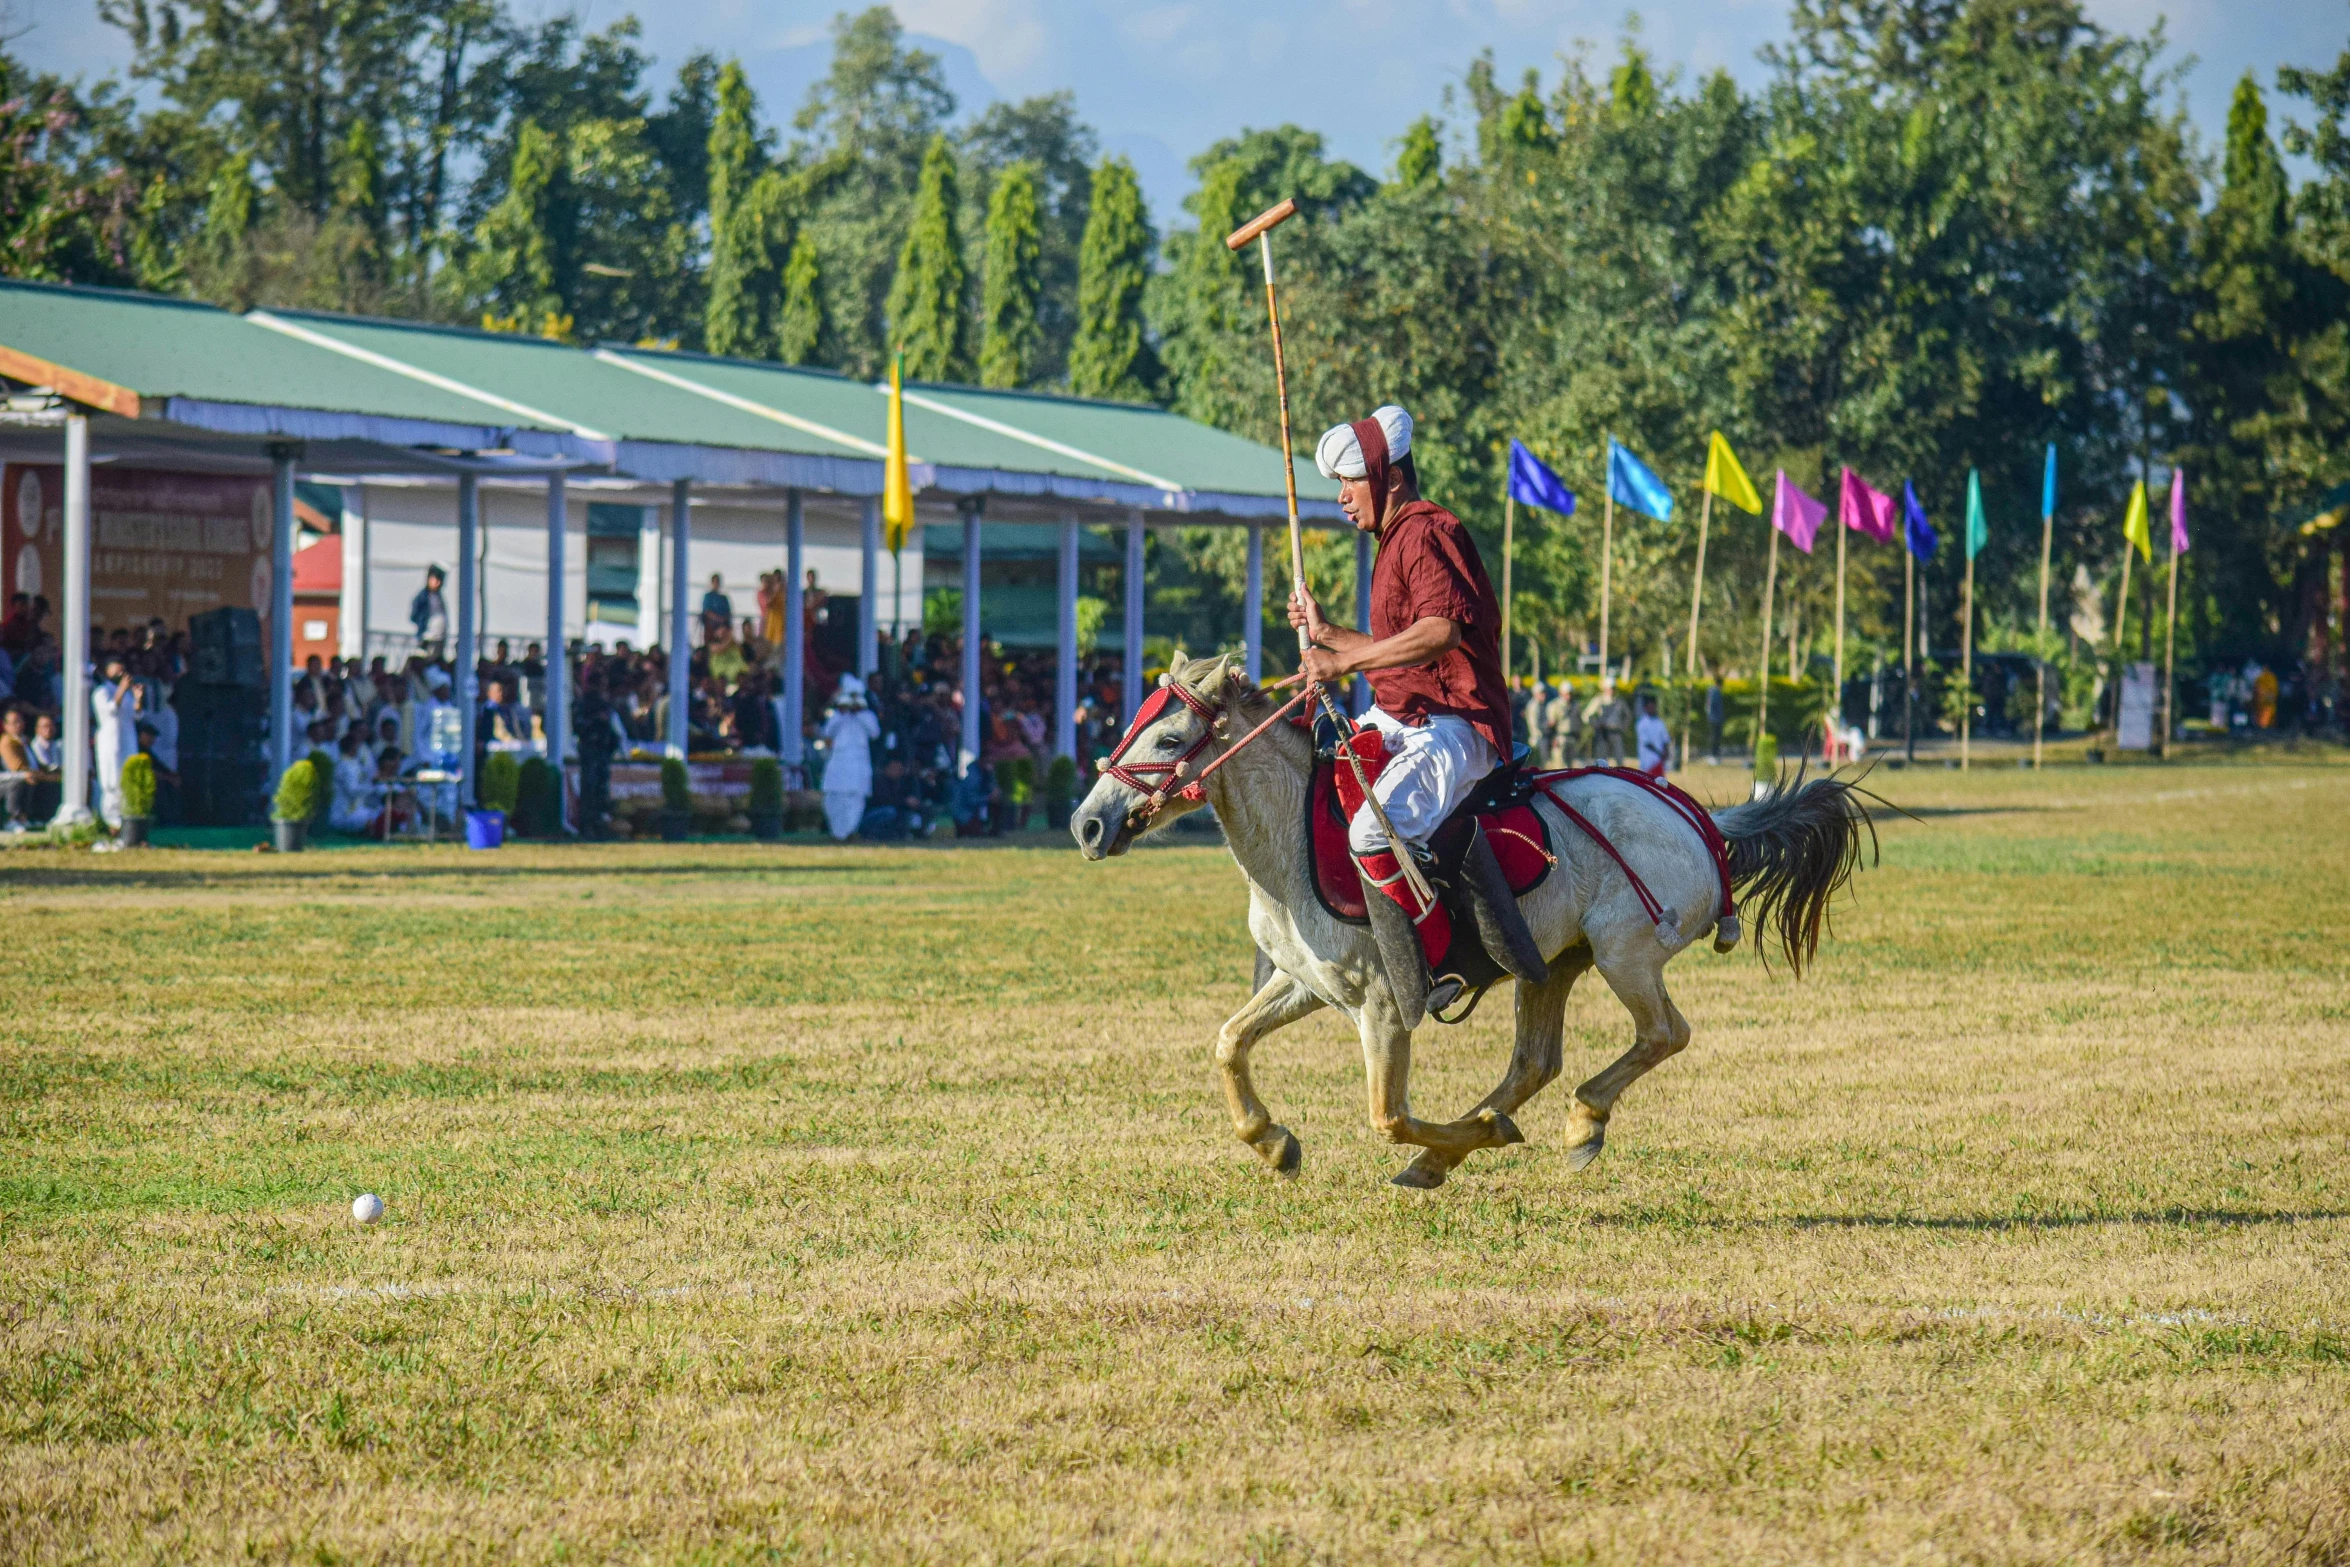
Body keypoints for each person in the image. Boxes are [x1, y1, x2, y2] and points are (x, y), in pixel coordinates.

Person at [1288, 403, 1546, 1024]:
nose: (1343, 499)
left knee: (1372, 832)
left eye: (1350, 482)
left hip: (1458, 724)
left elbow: (1440, 633)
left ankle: (1437, 960)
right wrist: (1327, 636)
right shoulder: (1391, 538)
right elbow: (1392, 655)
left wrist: (1341, 664)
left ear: (1390, 477)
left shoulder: (1429, 532)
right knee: (1316, 778)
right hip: (1406, 717)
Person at [818, 675, 880, 841]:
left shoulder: (868, 716)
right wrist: (841, 712)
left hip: (858, 763)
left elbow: (874, 732)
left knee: (855, 798)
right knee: (834, 797)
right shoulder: (837, 716)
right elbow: (828, 732)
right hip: (839, 762)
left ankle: (850, 830)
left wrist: (858, 712)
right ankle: (837, 831)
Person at [91, 655, 140, 826]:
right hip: (110, 742)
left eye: (122, 670)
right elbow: (109, 710)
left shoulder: (126, 695)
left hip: (127, 740)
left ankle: (126, 819)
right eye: (116, 670)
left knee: (127, 781)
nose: (121, 673)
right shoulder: (101, 691)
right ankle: (111, 821)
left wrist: (138, 698)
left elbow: (136, 715)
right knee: (111, 781)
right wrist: (121, 689)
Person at [0, 706, 35, 830]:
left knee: (26, 779)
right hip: (5, 783)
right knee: (17, 782)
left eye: (20, 721)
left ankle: (24, 818)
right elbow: (15, 769)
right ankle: (11, 820)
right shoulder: (6, 742)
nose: (19, 725)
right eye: (15, 722)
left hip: (7, 779)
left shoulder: (25, 741)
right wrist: (22, 775)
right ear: (5, 725)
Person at [409, 566, 448, 657]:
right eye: (435, 579)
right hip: (427, 637)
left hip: (440, 637)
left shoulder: (439, 597)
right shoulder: (423, 596)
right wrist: (423, 624)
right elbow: (414, 615)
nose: (437, 583)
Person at [1635, 694, 1673, 776]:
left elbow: (1665, 739)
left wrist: (1666, 752)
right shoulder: (1642, 723)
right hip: (1648, 758)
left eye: (1654, 706)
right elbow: (1646, 743)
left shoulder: (1660, 722)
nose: (1652, 708)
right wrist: (1660, 753)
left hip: (1659, 760)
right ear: (1645, 708)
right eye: (1650, 706)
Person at [701, 573, 733, 644]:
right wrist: (717, 619)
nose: (717, 584)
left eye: (718, 582)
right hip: (712, 624)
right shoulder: (708, 596)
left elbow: (729, 611)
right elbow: (707, 611)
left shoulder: (724, 598)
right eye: (715, 582)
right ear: (712, 583)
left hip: (724, 623)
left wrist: (724, 619)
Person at [1706, 676, 1726, 763]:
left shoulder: (1715, 692)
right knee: (1714, 737)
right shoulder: (1714, 692)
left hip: (1717, 718)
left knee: (1717, 737)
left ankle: (1716, 755)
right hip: (1714, 718)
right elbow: (1710, 706)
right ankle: (1713, 755)